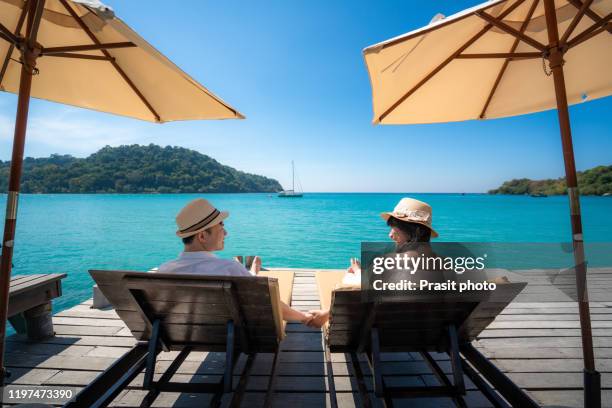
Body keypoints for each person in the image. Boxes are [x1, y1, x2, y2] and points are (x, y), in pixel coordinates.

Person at [158, 198, 313, 324]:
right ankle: (251, 273)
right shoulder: (227, 269)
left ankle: (251, 272)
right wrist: (305, 317)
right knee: (251, 282)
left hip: (185, 332)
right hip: (230, 334)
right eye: (221, 227)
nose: (226, 233)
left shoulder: (164, 271)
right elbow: (270, 304)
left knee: (245, 276)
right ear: (202, 236)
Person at [307, 197, 440, 328]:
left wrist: (357, 272)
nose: (390, 235)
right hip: (428, 334)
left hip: (385, 334)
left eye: (395, 228)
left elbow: (358, 293)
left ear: (415, 231)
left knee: (351, 282)